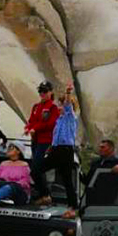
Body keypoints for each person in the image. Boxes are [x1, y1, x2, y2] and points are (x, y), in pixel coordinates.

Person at [31, 84, 80, 214]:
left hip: (65, 150)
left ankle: (46, 195)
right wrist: (51, 148)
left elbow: (68, 105)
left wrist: (68, 93)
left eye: (61, 104)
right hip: (58, 149)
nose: (59, 107)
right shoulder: (59, 120)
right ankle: (72, 206)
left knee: (36, 170)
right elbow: (56, 136)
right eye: (59, 104)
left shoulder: (70, 117)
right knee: (66, 180)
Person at [23, 80, 60, 173]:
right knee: (36, 167)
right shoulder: (36, 106)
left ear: (50, 92)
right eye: (40, 91)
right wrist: (28, 128)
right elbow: (32, 120)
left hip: (45, 141)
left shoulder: (53, 107)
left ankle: (40, 186)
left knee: (36, 168)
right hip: (35, 140)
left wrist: (35, 128)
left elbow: (51, 124)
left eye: (45, 91)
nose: (42, 93)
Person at [0, 141, 32, 206]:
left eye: (11, 147)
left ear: (19, 151)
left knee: (8, 187)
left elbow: (25, 182)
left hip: (17, 191)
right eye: (8, 147)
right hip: (2, 185)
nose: (8, 149)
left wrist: (11, 183)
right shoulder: (3, 163)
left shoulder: (24, 165)